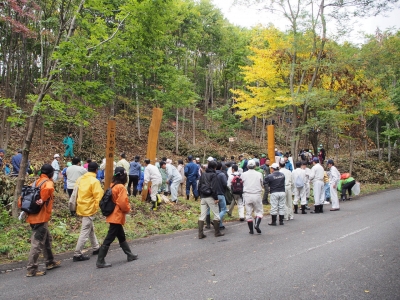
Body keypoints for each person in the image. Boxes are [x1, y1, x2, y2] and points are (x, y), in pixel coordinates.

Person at [18, 164, 61, 276]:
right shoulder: (47, 182)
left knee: (46, 239)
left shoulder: (35, 182)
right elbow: (49, 188)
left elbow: (22, 198)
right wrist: (43, 199)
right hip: (40, 218)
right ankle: (31, 269)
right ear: (51, 173)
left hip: (32, 216)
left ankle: (50, 261)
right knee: (37, 243)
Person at [96, 167, 138, 268]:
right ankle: (100, 260)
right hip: (117, 216)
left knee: (121, 236)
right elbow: (122, 202)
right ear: (124, 176)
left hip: (113, 215)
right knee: (109, 238)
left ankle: (129, 254)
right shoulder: (121, 187)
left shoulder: (113, 185)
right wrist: (128, 209)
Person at [73, 162, 103, 262]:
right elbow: (98, 197)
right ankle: (77, 253)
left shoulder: (80, 179)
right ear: (96, 170)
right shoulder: (94, 181)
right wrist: (97, 208)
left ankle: (96, 247)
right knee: (85, 230)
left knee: (90, 228)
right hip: (89, 208)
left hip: (80, 207)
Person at [197, 161, 224, 239]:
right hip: (210, 196)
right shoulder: (213, 175)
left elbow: (199, 185)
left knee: (202, 215)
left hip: (203, 196)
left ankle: (200, 234)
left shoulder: (203, 174)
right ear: (215, 167)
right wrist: (215, 198)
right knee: (216, 214)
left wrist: (200, 195)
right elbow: (214, 188)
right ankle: (217, 232)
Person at [241, 160, 264, 234]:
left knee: (248, 213)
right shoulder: (259, 174)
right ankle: (257, 224)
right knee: (259, 211)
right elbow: (262, 183)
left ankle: (251, 230)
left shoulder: (243, 174)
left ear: (247, 166)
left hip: (247, 195)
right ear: (255, 166)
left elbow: (242, 183)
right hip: (257, 194)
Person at [215, 162, 228, 229]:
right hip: (220, 193)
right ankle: (216, 220)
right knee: (224, 209)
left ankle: (220, 225)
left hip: (214, 195)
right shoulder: (222, 174)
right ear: (221, 167)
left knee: (218, 210)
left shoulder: (213, 174)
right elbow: (225, 184)